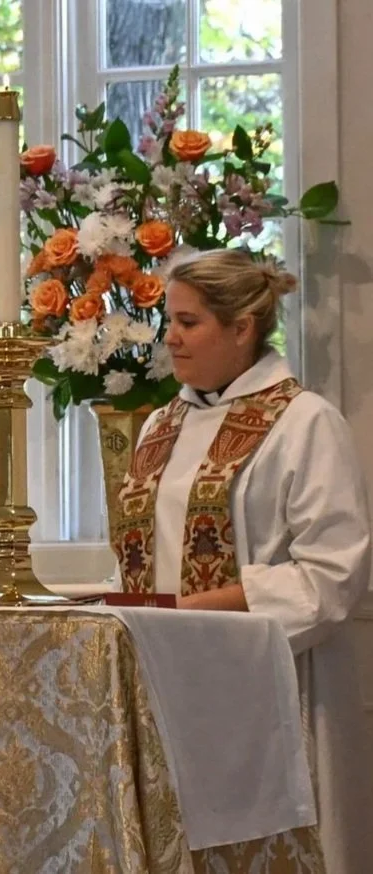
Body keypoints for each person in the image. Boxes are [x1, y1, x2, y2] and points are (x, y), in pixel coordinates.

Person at [111, 249, 372, 871]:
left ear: (243, 327)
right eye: (168, 320)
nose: (169, 338)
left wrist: (193, 614)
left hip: (277, 684)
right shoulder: (160, 427)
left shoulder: (305, 421)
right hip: (173, 680)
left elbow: (329, 577)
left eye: (189, 322)